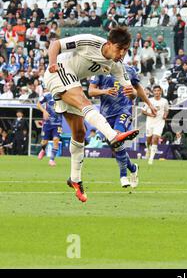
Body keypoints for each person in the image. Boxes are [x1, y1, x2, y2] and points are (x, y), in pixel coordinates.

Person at [42, 27, 150, 203]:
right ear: (108, 44)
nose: (122, 53)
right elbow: (55, 44)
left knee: (79, 133)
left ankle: (75, 179)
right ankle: (112, 135)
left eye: (125, 50)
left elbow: (130, 92)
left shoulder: (117, 66)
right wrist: (52, 63)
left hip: (73, 81)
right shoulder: (90, 41)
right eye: (119, 49)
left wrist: (131, 92)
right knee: (86, 104)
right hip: (58, 70)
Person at [89, 64, 152, 188]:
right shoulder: (100, 68)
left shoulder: (129, 69)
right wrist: (104, 91)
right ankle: (133, 168)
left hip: (124, 110)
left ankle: (123, 176)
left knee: (117, 139)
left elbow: (136, 91)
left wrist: (137, 96)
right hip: (106, 115)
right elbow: (91, 91)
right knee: (114, 146)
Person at [142, 85, 169, 165]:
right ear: (153, 92)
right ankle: (148, 149)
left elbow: (167, 110)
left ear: (161, 92)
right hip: (150, 122)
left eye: (158, 91)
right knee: (148, 140)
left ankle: (151, 159)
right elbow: (143, 111)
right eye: (155, 91)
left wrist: (165, 115)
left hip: (159, 123)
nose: (157, 92)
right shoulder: (149, 100)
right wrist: (150, 114)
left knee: (155, 138)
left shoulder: (164, 101)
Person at [36, 89, 62, 166]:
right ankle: (43, 150)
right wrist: (44, 111)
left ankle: (51, 160)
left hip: (58, 123)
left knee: (56, 139)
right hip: (47, 123)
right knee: (44, 142)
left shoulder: (62, 95)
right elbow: (38, 104)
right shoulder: (47, 95)